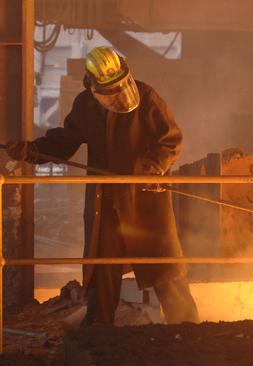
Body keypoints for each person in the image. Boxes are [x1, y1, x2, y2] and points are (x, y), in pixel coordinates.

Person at [6, 46, 199, 325]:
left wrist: (154, 165)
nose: (117, 94)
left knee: (162, 264)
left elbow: (170, 139)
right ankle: (98, 331)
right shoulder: (86, 106)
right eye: (108, 90)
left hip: (143, 198)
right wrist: (30, 150)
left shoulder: (145, 97)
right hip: (104, 203)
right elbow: (63, 142)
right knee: (103, 270)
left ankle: (188, 329)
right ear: (92, 84)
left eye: (119, 86)